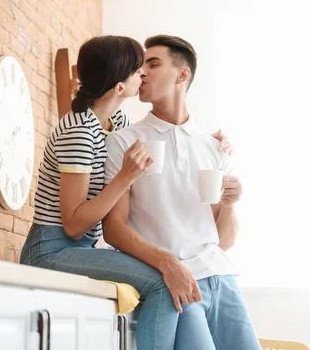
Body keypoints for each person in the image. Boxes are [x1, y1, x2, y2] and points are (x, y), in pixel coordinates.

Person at [20, 35, 230, 349]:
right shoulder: (78, 131)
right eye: (137, 70)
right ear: (120, 87)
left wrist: (204, 140)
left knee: (164, 277)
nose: (143, 74)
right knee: (162, 282)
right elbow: (74, 225)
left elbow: (154, 134)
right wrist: (124, 177)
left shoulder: (112, 121)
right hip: (50, 250)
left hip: (81, 249)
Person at [103, 35, 262, 350]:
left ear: (182, 74)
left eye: (153, 63)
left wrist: (229, 205)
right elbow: (114, 229)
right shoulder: (124, 142)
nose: (143, 72)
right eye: (141, 66)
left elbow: (223, 241)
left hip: (223, 280)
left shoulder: (214, 147)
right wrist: (168, 264)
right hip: (178, 285)